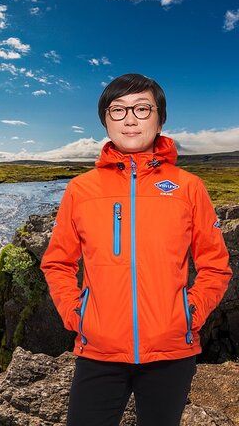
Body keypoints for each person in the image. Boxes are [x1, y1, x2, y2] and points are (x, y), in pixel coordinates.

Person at [40, 73, 232, 425]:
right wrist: (77, 314)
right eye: (118, 110)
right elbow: (57, 263)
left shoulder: (189, 188)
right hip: (98, 351)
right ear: (105, 121)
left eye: (142, 109)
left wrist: (189, 315)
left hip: (172, 352)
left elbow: (216, 266)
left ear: (160, 119)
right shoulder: (80, 190)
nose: (130, 119)